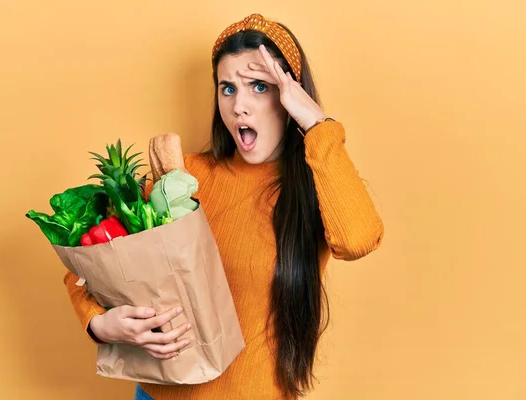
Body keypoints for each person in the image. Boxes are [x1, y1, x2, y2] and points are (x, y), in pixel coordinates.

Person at [63, 12, 384, 400]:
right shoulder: (181, 176)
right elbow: (89, 267)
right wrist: (101, 325)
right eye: (228, 89)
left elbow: (359, 239)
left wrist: (318, 124)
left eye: (260, 87)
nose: (239, 106)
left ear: (290, 97)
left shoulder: (317, 187)